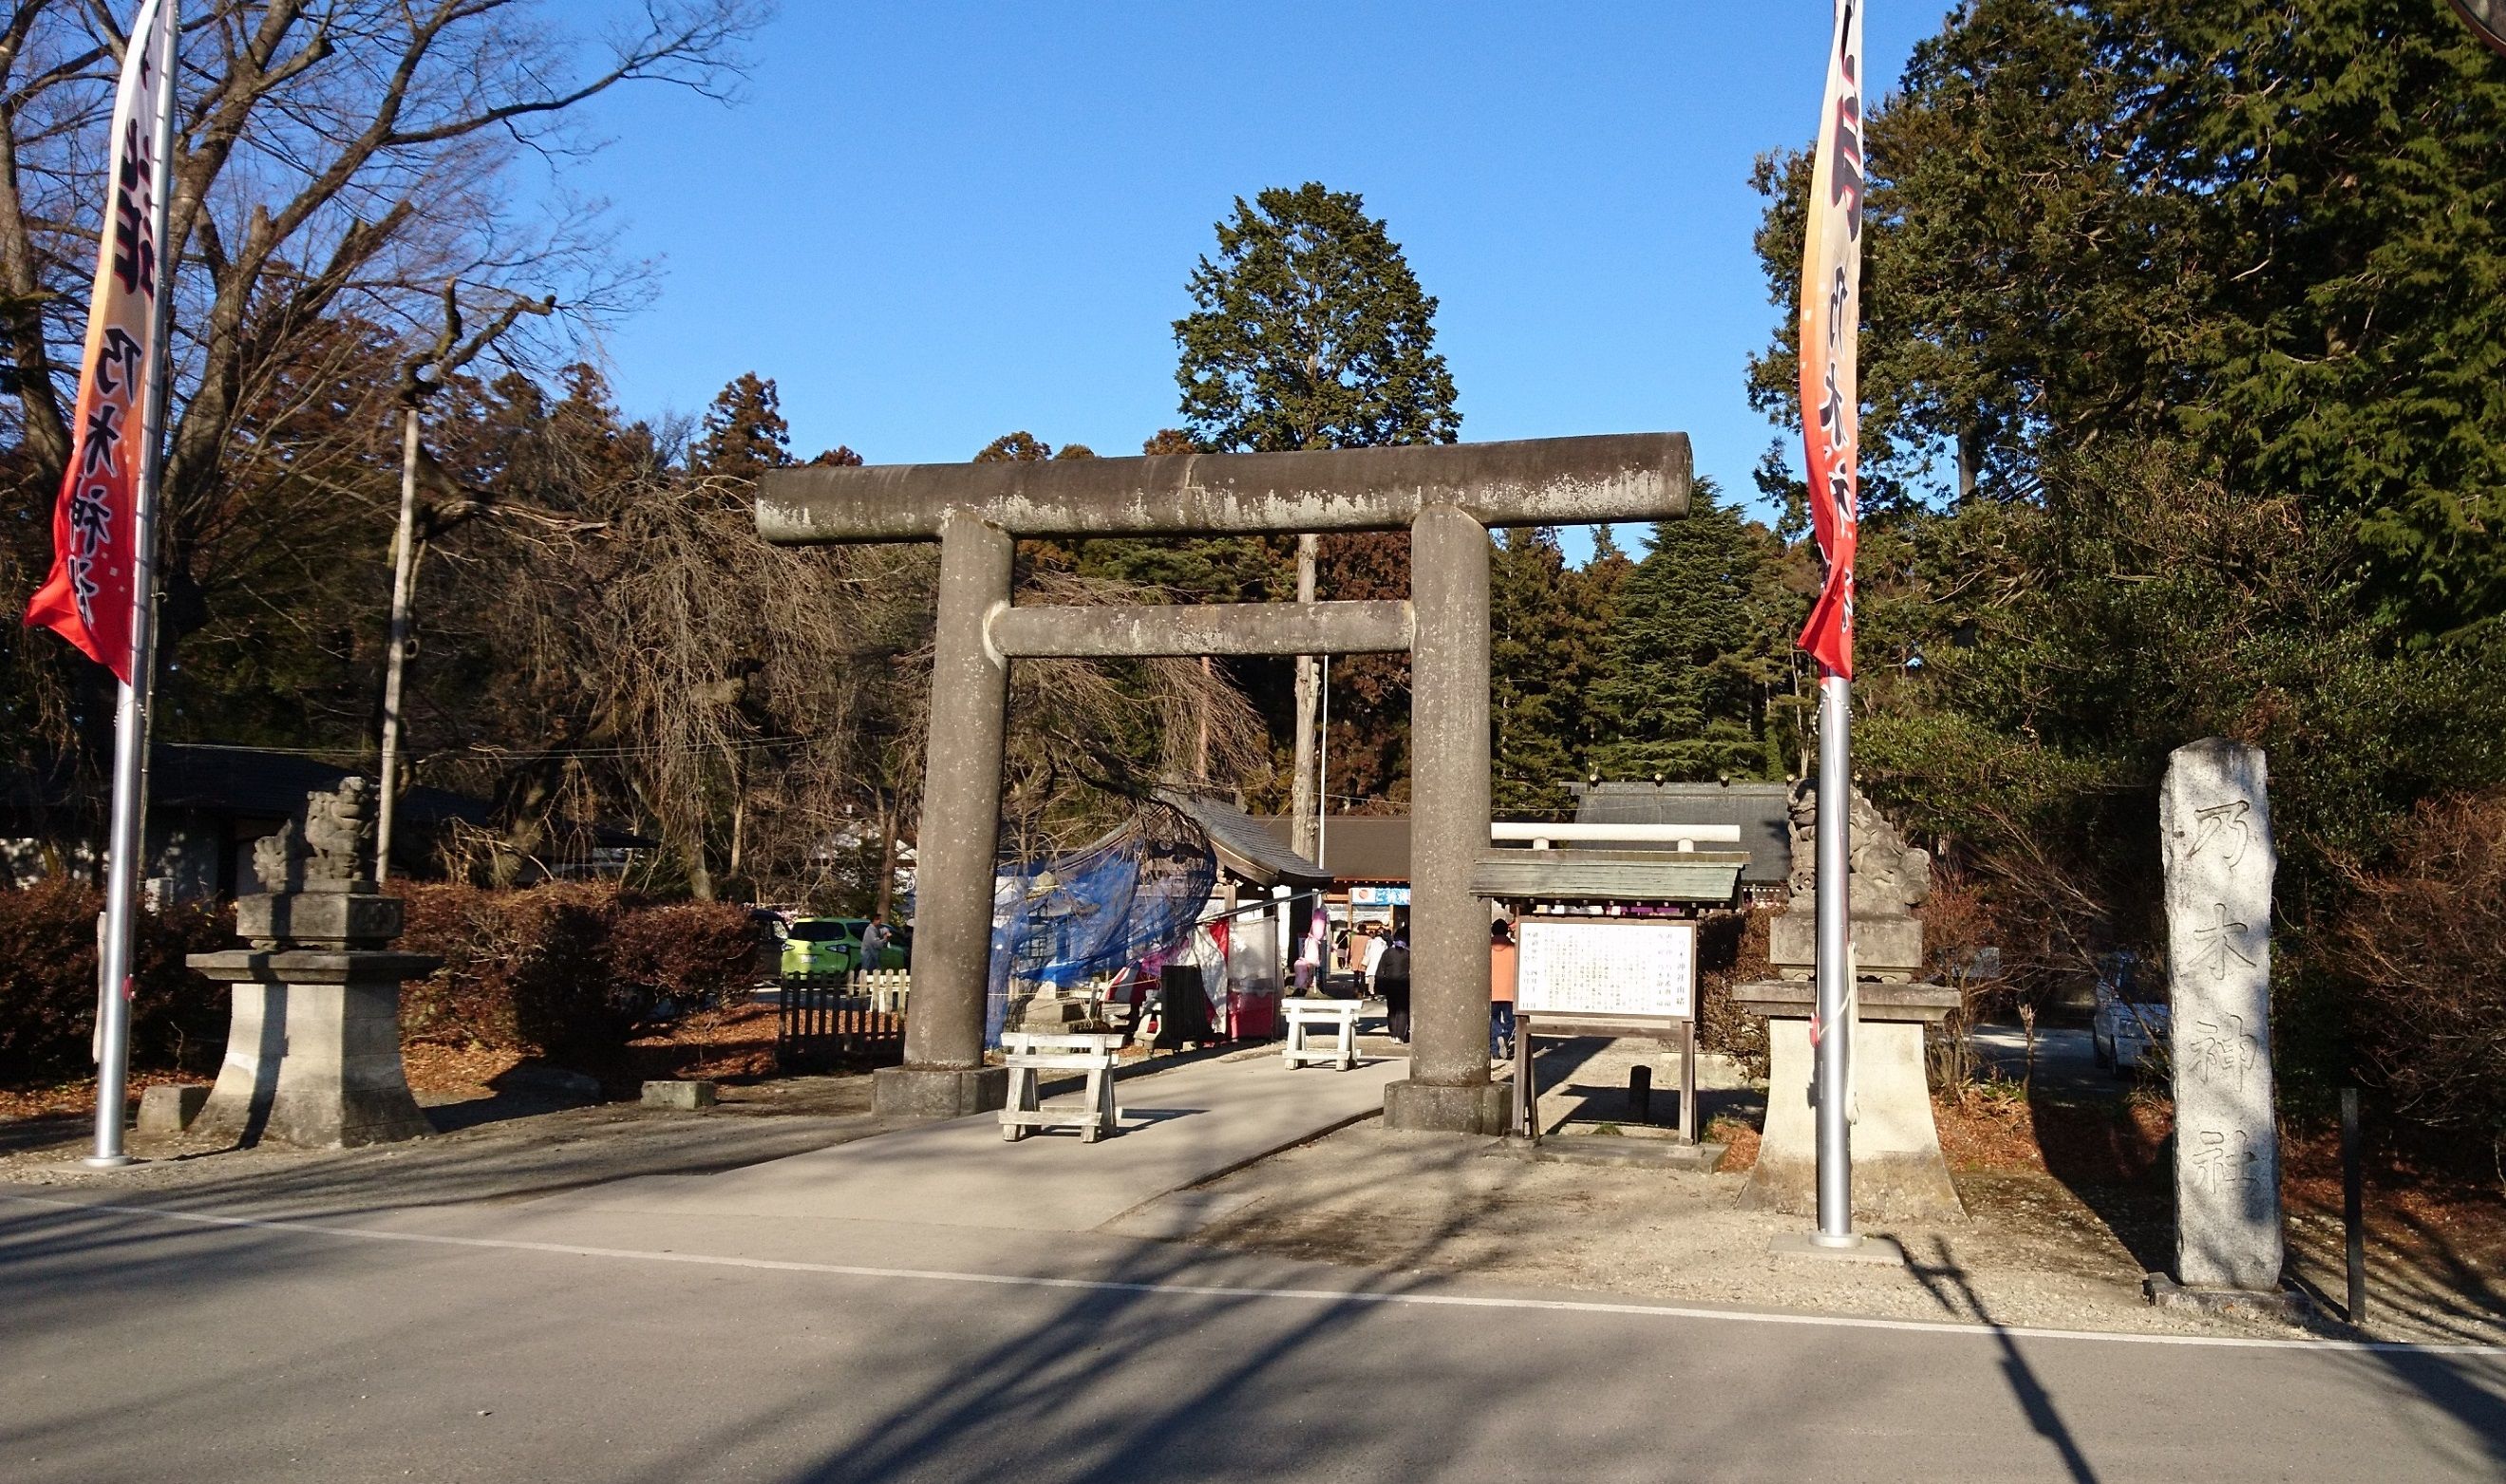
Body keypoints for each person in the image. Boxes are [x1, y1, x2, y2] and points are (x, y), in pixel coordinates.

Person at [1488, 917, 1518, 1060]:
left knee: (1493, 1021)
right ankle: (1505, 1036)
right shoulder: (1514, 949)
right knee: (1511, 1021)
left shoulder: (1485, 949)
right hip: (1509, 993)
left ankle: (1495, 1051)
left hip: (1491, 992)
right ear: (1507, 931)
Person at [1375, 934, 1412, 1043]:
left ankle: (1393, 1033)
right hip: (1404, 985)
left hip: (1390, 984)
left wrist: (1379, 987)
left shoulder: (1387, 953)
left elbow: (1380, 971)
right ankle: (1400, 1036)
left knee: (1392, 1009)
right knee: (1403, 1010)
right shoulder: (1408, 954)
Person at [1294, 908, 1328, 993]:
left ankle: (1308, 986)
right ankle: (1313, 986)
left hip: (1309, 958)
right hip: (1312, 959)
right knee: (1314, 972)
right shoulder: (1313, 940)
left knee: (1309, 974)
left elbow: (1308, 949)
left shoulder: (1309, 940)